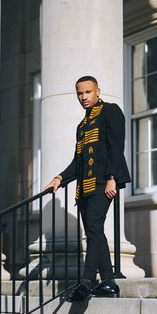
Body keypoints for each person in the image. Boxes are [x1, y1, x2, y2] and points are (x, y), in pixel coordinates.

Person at [44, 76, 131, 302]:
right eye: (80, 94)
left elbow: (116, 147)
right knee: (95, 231)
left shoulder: (110, 111)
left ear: (97, 91)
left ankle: (86, 282)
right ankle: (109, 283)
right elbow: (78, 162)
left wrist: (112, 177)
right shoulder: (82, 126)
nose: (83, 97)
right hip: (85, 187)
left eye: (87, 92)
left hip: (104, 182)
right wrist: (59, 178)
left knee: (93, 226)